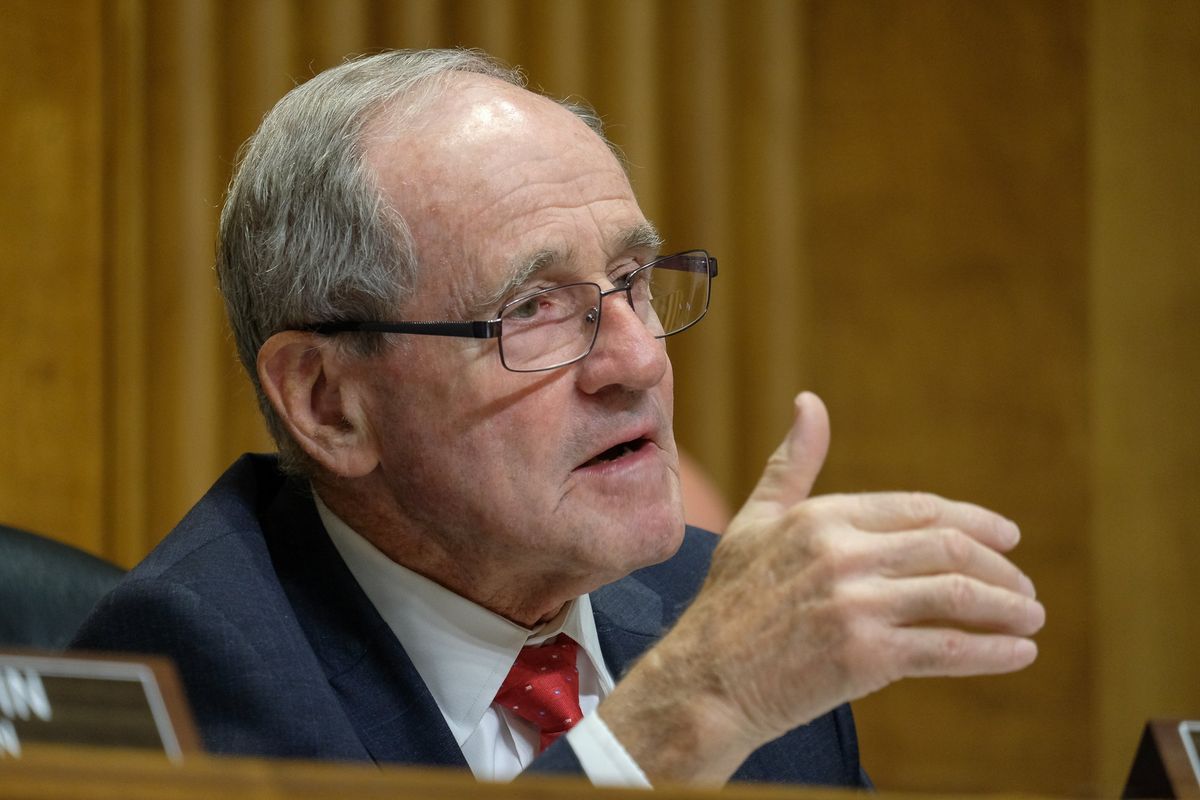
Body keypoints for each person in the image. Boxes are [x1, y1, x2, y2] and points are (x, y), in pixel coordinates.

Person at [73, 49, 1043, 788]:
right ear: (330, 402)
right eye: (532, 307)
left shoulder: (720, 604)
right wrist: (672, 723)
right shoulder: (191, 668)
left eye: (629, 282)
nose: (638, 359)